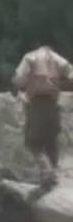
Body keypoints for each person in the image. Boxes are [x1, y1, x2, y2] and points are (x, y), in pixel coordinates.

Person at [12, 44, 73, 176]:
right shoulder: (57, 58)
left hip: (37, 105)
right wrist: (59, 85)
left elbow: (19, 79)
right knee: (51, 143)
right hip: (53, 105)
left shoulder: (30, 57)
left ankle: (47, 173)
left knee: (33, 143)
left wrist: (23, 87)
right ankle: (55, 176)